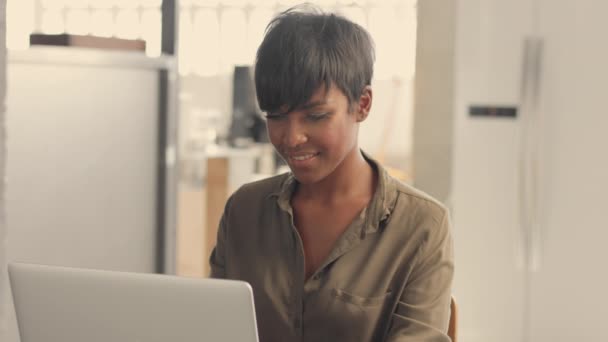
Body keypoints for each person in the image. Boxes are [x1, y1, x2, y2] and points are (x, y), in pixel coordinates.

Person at [209, 5, 454, 342]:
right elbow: (215, 327)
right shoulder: (244, 211)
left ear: (363, 105)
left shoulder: (421, 225)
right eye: (275, 116)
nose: (292, 137)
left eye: (316, 115)